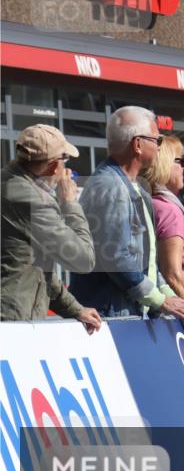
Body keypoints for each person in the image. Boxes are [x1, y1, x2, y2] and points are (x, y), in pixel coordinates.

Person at [71, 107, 184, 322]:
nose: (160, 147)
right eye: (157, 140)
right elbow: (117, 258)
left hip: (125, 313)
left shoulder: (136, 188)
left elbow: (147, 260)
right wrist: (161, 301)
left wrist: (168, 296)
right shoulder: (111, 187)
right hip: (109, 318)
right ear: (138, 144)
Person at [1, 125, 101, 331]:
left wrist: (75, 309)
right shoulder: (32, 199)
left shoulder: (9, 182)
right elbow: (84, 260)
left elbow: (35, 269)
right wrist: (69, 202)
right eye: (65, 162)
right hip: (14, 324)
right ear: (54, 167)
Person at [141, 135, 184, 373]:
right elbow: (173, 274)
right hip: (172, 308)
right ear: (164, 164)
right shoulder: (167, 210)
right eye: (180, 161)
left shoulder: (152, 202)